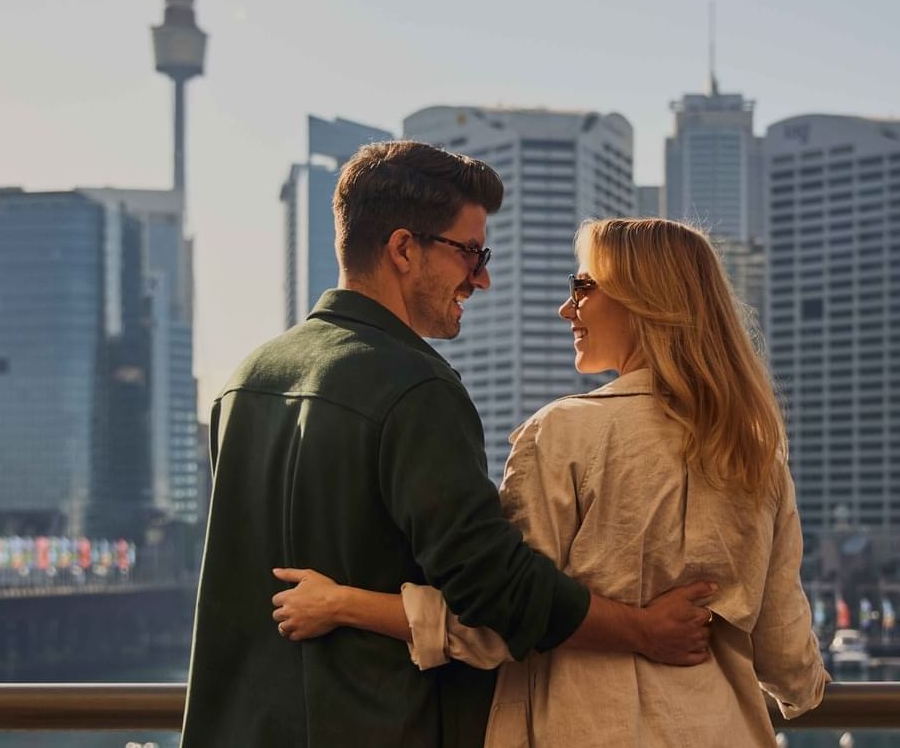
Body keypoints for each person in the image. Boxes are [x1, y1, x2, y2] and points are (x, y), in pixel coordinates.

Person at [180, 144, 717, 747]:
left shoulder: (245, 381)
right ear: (404, 249)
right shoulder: (414, 387)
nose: (482, 278)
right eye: (470, 253)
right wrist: (643, 630)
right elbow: (494, 587)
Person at [271, 217, 828, 746]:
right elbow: (788, 661)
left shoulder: (563, 435)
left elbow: (496, 620)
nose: (567, 309)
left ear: (644, 301)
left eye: (583, 287)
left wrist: (340, 603)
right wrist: (812, 694)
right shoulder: (754, 452)